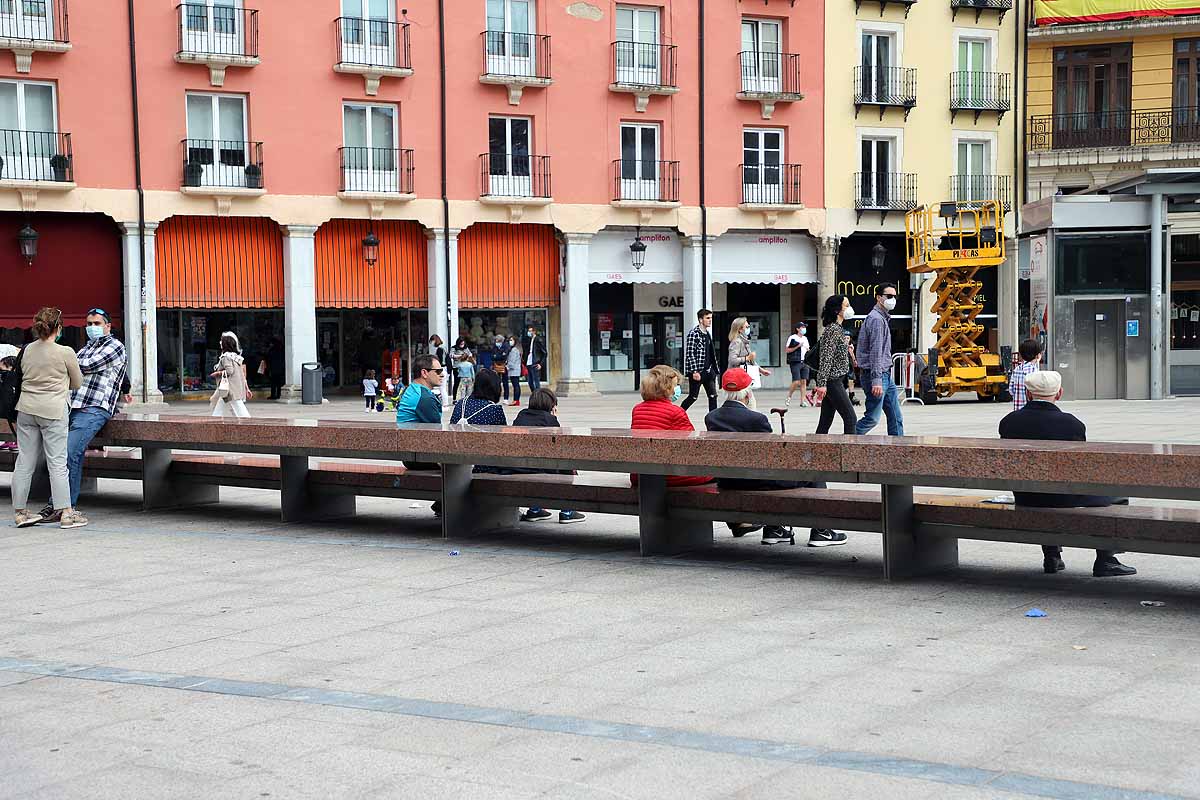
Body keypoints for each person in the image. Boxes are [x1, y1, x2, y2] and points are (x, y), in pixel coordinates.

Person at [998, 370, 1136, 578]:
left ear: (1027, 394)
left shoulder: (1009, 422)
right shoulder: (1071, 424)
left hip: (1027, 496)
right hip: (1063, 496)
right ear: (1059, 393)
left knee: (1045, 491)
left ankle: (1052, 555)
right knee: (1118, 495)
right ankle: (1106, 559)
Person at [705, 368, 847, 547]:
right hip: (757, 483)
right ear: (748, 393)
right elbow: (771, 458)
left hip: (728, 482)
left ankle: (775, 529)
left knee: (769, 476)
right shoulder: (757, 419)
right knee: (815, 472)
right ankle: (821, 530)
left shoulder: (711, 417)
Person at [39, 308, 131, 524]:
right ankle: (61, 505)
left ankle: (62, 506)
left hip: (94, 407)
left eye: (97, 323)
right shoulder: (85, 348)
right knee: (65, 454)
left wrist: (53, 358)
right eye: (89, 323)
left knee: (69, 452)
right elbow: (70, 370)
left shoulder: (115, 347)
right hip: (73, 406)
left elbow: (85, 367)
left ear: (108, 326)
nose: (92, 327)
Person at [10, 308, 86, 529]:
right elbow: (77, 383)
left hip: (26, 409)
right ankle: (66, 513)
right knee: (57, 463)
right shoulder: (65, 352)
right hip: (53, 410)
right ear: (59, 327)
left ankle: (20, 512)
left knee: (24, 461)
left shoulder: (26, 350)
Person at [630, 364, 712, 487]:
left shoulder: (637, 409)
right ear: (666, 388)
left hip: (640, 474)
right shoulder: (675, 412)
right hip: (669, 475)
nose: (676, 389)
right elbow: (691, 446)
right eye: (675, 385)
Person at [513, 388, 585, 525]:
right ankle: (567, 511)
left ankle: (534, 510)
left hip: (518, 469)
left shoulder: (521, 415)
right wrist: (554, 418)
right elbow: (559, 447)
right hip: (541, 471)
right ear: (550, 405)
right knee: (566, 465)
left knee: (540, 464)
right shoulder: (549, 419)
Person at [396, 353, 445, 516]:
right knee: (463, 467)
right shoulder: (424, 398)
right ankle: (447, 505)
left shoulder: (411, 390)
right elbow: (438, 434)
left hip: (409, 452)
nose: (442, 374)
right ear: (424, 373)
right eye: (438, 371)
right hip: (418, 456)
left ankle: (442, 504)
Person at [854, 283, 904, 436]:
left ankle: (899, 449)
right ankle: (849, 438)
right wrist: (876, 380)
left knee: (896, 417)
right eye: (889, 296)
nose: (893, 299)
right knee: (872, 418)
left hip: (885, 375)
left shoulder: (881, 318)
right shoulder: (876, 320)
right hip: (876, 375)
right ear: (878, 298)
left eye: (894, 296)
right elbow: (875, 352)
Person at [813, 295, 857, 435]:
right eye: (847, 305)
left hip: (835, 380)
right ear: (837, 310)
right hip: (832, 381)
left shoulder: (837, 329)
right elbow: (826, 357)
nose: (849, 308)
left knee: (825, 421)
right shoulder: (833, 330)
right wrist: (821, 383)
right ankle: (850, 453)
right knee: (850, 418)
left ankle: (816, 451)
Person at [681, 308, 719, 412]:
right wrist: (694, 371)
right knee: (693, 397)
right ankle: (678, 413)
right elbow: (690, 353)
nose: (710, 320)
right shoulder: (694, 334)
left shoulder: (707, 333)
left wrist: (714, 370)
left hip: (708, 371)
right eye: (707, 318)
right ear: (700, 320)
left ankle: (713, 419)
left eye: (710, 318)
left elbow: (711, 353)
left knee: (713, 396)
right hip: (698, 371)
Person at [727, 317, 770, 408]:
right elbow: (732, 360)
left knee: (746, 403)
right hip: (738, 379)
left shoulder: (744, 341)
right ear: (739, 329)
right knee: (749, 404)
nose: (748, 328)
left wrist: (761, 370)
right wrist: (747, 357)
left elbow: (751, 361)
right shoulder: (737, 342)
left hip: (742, 378)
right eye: (747, 327)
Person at [210, 332, 252, 418]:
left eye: (221, 341)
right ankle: (215, 420)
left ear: (225, 344)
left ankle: (248, 424)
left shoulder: (226, 357)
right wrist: (246, 388)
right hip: (232, 388)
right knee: (220, 404)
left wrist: (217, 373)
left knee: (239, 407)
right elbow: (242, 374)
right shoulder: (235, 357)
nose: (220, 343)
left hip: (230, 388)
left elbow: (229, 371)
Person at [1010, 338, 1043, 411]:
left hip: (1018, 409)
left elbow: (1011, 389)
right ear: (1038, 355)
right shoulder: (1033, 370)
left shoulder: (1016, 369)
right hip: (1032, 410)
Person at [785, 322, 811, 407]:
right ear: (797, 329)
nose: (804, 329)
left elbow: (807, 349)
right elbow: (787, 350)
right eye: (802, 327)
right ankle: (789, 396)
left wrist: (808, 350)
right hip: (795, 362)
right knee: (796, 381)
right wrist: (798, 346)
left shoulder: (805, 338)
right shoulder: (792, 338)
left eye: (804, 327)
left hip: (805, 362)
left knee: (804, 382)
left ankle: (802, 401)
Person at [523, 325, 547, 393]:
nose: (529, 332)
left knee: (536, 381)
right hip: (529, 362)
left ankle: (538, 397)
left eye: (530, 331)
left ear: (534, 332)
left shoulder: (538, 339)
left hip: (535, 363)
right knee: (530, 382)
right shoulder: (530, 340)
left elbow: (544, 353)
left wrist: (540, 364)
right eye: (528, 331)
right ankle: (534, 395)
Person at [505, 336, 523, 407]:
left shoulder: (514, 350)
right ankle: (516, 400)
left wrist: (507, 366)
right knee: (516, 385)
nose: (510, 341)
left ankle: (516, 400)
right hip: (515, 370)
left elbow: (512, 361)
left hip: (514, 370)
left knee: (516, 385)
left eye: (511, 340)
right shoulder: (516, 349)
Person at [492, 336, 510, 400]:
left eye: (498, 341)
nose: (496, 342)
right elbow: (492, 356)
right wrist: (499, 355)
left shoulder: (506, 346)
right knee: (497, 382)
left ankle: (506, 398)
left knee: (505, 382)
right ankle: (497, 396)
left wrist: (497, 356)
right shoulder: (494, 346)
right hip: (496, 365)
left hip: (504, 365)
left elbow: (504, 356)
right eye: (496, 341)